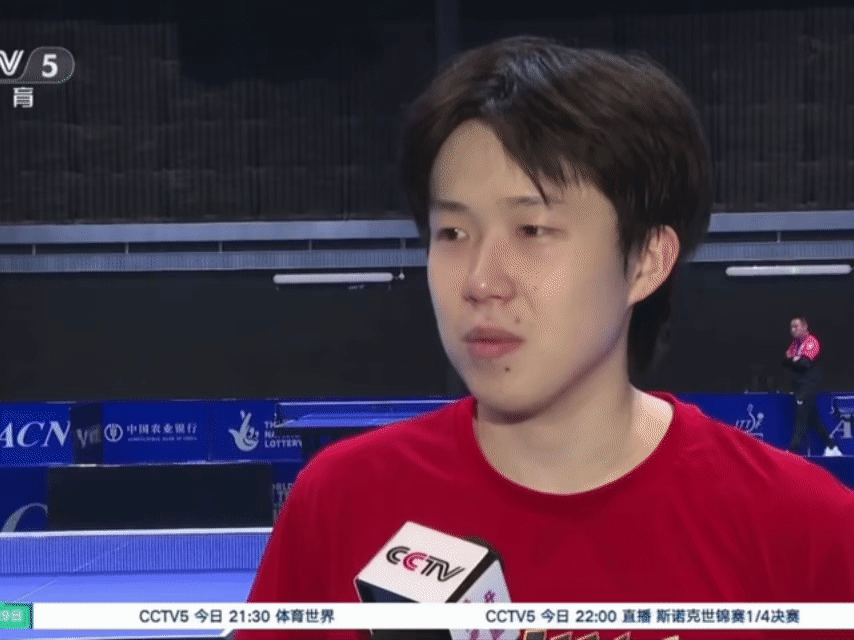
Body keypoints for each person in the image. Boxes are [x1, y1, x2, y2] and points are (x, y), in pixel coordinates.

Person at [238, 36, 854, 640]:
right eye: (452, 233)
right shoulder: (339, 503)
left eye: (531, 230)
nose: (480, 281)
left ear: (646, 260)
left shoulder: (804, 529)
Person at [782, 317, 842, 456]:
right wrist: (795, 360)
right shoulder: (794, 344)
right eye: (791, 327)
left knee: (801, 418)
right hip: (799, 386)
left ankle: (793, 451)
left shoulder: (812, 342)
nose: (793, 330)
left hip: (809, 385)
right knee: (813, 419)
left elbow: (805, 364)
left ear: (805, 327)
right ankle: (832, 447)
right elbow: (784, 361)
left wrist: (794, 360)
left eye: (796, 326)